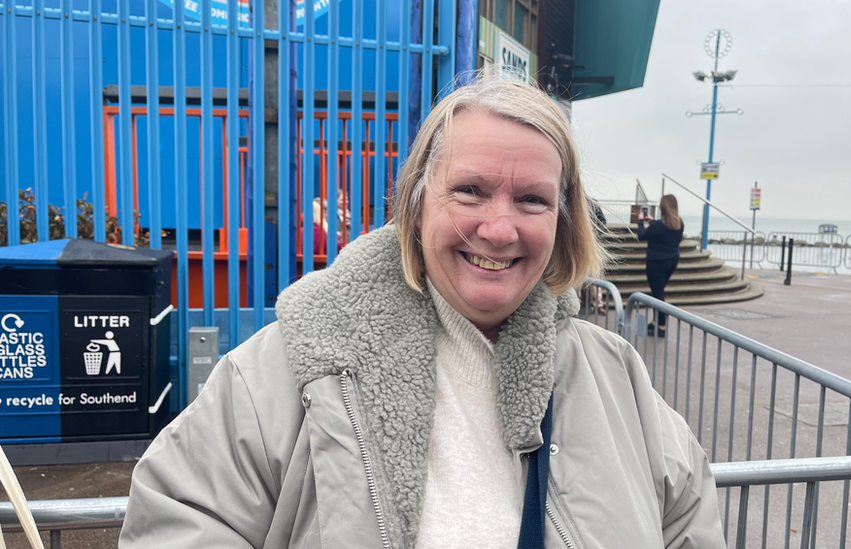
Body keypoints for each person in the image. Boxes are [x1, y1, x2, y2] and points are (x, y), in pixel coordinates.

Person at [120, 76, 722, 548]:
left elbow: (688, 515)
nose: (499, 227)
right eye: (471, 191)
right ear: (415, 203)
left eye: (532, 200)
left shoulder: (616, 376)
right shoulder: (292, 366)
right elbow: (180, 518)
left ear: (562, 225)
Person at [637, 194, 685, 337]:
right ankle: (655, 321)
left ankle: (661, 327)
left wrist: (640, 221)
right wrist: (653, 222)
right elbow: (666, 231)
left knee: (657, 293)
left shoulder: (658, 226)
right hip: (672, 260)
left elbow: (642, 235)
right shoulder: (679, 223)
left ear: (663, 207)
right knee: (659, 291)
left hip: (656, 262)